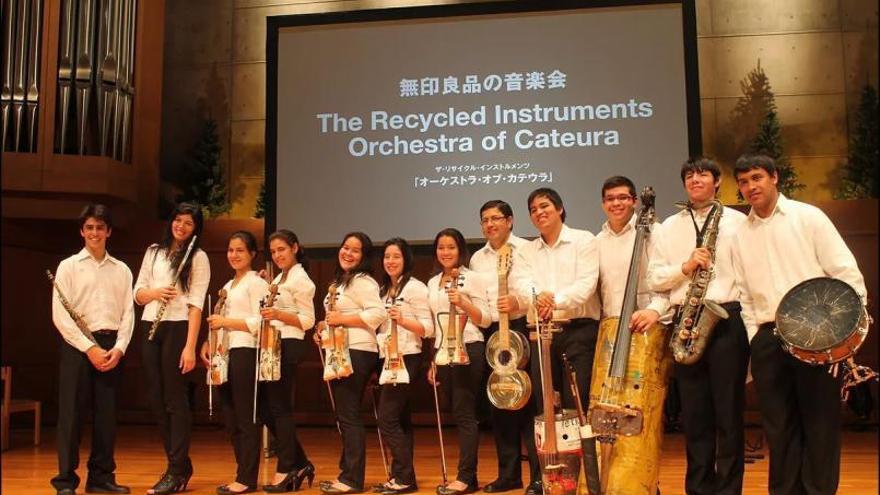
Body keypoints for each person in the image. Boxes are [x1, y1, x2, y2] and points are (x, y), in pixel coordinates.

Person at [731, 154, 867, 495]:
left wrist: (847, 329)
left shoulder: (808, 218)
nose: (751, 187)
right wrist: (755, 338)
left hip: (816, 335)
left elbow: (845, 272)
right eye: (744, 181)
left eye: (757, 177)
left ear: (774, 178)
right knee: (779, 427)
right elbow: (744, 295)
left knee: (820, 424)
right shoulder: (739, 235)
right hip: (767, 339)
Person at [647, 157, 748, 495]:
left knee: (728, 414)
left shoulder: (737, 222)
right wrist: (686, 267)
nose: (695, 179)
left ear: (717, 181)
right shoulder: (669, 227)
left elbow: (747, 274)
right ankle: (699, 488)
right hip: (685, 321)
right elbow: (655, 278)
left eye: (703, 174)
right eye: (689, 175)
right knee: (695, 414)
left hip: (725, 318)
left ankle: (729, 489)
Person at [50, 204, 134, 495]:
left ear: (108, 231)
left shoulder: (122, 270)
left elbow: (128, 314)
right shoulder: (68, 267)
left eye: (100, 227)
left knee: (106, 417)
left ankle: (100, 479)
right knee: (71, 415)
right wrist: (89, 348)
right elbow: (60, 316)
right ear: (82, 232)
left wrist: (120, 348)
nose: (94, 233)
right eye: (89, 228)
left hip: (111, 347)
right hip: (78, 347)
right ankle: (65, 481)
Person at [134, 202, 210, 495]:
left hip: (178, 327)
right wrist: (155, 293)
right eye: (178, 220)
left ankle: (176, 470)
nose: (181, 226)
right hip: (151, 324)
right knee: (156, 399)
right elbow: (138, 293)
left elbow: (196, 305)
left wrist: (190, 347)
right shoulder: (154, 251)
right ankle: (178, 463)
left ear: (195, 229)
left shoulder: (198, 257)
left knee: (175, 399)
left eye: (188, 223)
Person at [468, 200, 541, 495]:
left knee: (530, 403)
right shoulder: (477, 259)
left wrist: (518, 302)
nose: (490, 224)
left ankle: (538, 476)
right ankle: (509, 474)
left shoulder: (527, 249)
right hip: (492, 333)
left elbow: (536, 287)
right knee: (501, 403)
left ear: (510, 221)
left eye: (496, 218)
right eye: (484, 219)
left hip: (522, 329)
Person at [513, 188, 600, 416]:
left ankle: (583, 453)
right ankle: (552, 453)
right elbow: (520, 285)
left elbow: (586, 286)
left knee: (577, 404)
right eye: (533, 210)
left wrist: (553, 301)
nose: (539, 212)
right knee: (546, 405)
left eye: (545, 206)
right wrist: (536, 296)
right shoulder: (526, 250)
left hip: (579, 331)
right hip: (541, 334)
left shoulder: (584, 239)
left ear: (560, 209)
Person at [317, 232, 387, 494]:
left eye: (355, 250)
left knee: (349, 414)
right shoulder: (340, 282)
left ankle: (352, 479)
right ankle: (346, 474)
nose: (348, 253)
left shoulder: (363, 281)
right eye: (345, 247)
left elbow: (377, 314)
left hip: (357, 349)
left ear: (364, 257)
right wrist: (324, 325)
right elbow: (336, 316)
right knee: (344, 414)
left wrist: (341, 320)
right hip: (339, 350)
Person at [201, 231, 268, 494]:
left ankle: (247, 477)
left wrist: (225, 323)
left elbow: (260, 322)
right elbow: (218, 321)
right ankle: (241, 472)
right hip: (224, 353)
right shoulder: (228, 286)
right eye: (230, 250)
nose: (234, 255)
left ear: (252, 254)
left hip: (246, 351)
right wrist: (209, 340)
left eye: (240, 250)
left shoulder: (257, 283)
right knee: (230, 417)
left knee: (245, 416)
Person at [427, 228, 491, 495]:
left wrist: (463, 302)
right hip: (444, 352)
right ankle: (466, 475)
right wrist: (433, 358)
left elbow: (485, 319)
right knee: (457, 412)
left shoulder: (473, 278)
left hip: (469, 348)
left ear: (460, 250)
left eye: (451, 247)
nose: (446, 252)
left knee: (466, 415)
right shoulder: (432, 283)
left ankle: (467, 477)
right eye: (441, 247)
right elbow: (434, 325)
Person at [259, 230, 317, 492]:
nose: (277, 255)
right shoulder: (282, 277)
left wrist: (279, 313)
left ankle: (286, 468)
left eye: (282, 249)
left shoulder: (301, 279)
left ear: (295, 248)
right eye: (273, 252)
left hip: (289, 344)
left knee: (280, 408)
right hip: (272, 344)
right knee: (267, 409)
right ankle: (301, 462)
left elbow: (307, 320)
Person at [374, 238, 432, 495]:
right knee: (399, 419)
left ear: (406, 259)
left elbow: (428, 329)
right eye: (387, 256)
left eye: (396, 256)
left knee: (386, 418)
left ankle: (405, 476)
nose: (390, 261)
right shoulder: (383, 289)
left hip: (407, 356)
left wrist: (404, 319)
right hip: (387, 357)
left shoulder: (417, 288)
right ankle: (401, 477)